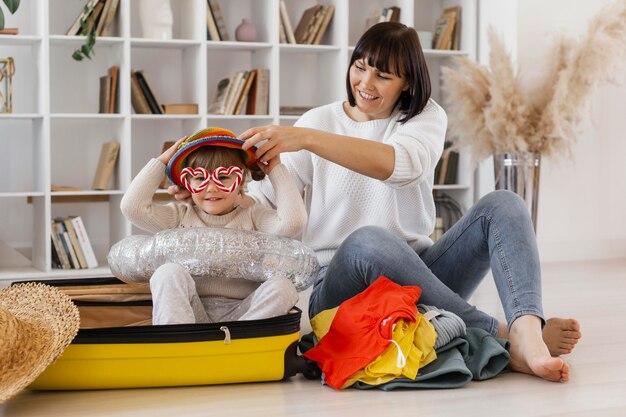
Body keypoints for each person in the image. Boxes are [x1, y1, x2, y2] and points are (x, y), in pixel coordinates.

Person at [170, 23, 581, 382]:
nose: (365, 83)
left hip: (422, 277)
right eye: (360, 67)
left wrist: (307, 139)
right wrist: (210, 195)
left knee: (504, 202)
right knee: (368, 240)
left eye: (383, 75)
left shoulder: (423, 118)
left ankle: (527, 328)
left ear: (408, 83)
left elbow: (400, 166)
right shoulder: (318, 120)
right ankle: (501, 334)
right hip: (337, 286)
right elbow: (262, 202)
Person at [121, 127, 307, 325]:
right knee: (167, 272)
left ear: (240, 179)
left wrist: (275, 169)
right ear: (187, 183)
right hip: (189, 315)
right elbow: (133, 208)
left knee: (283, 286)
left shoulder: (253, 216)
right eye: (200, 178)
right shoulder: (180, 217)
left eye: (224, 177)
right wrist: (162, 161)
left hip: (244, 316)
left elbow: (292, 223)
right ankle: (177, 348)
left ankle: (236, 349)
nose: (211, 188)